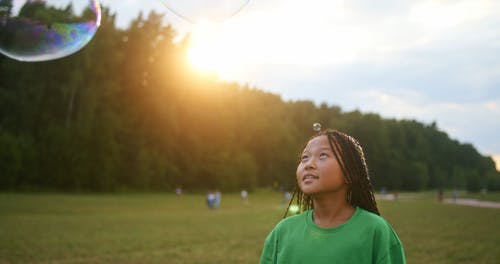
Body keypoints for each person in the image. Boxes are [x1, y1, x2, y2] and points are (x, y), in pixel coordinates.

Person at [260, 128, 406, 264]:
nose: (308, 164)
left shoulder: (376, 230)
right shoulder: (283, 232)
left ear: (350, 173)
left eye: (323, 155)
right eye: (304, 157)